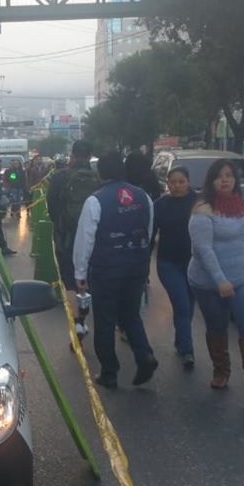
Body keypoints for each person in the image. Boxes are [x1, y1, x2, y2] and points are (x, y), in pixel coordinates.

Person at [72, 151, 159, 389]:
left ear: (100, 173)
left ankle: (109, 372)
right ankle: (145, 356)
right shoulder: (143, 197)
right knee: (131, 315)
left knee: (105, 320)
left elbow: (85, 239)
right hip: (137, 267)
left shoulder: (95, 201)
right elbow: (149, 231)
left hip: (106, 269)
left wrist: (80, 273)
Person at [187, 159, 244, 398]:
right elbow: (203, 250)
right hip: (209, 281)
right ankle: (221, 371)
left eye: (229, 175)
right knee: (217, 326)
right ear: (211, 180)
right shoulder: (202, 209)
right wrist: (220, 280)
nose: (225, 180)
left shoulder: (240, 203)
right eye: (220, 176)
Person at [47, 140, 101, 339]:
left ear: (73, 155)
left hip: (66, 238)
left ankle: (76, 323)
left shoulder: (60, 177)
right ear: (89, 155)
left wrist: (61, 224)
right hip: (93, 239)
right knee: (88, 280)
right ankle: (85, 317)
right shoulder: (98, 178)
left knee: (69, 282)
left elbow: (51, 206)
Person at [152, 166, 197, 369]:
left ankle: (181, 339)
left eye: (181, 182)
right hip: (168, 263)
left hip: (195, 264)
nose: (177, 186)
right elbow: (150, 235)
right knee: (181, 304)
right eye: (173, 182)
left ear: (188, 182)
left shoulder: (200, 202)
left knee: (189, 304)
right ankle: (188, 351)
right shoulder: (160, 205)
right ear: (167, 184)